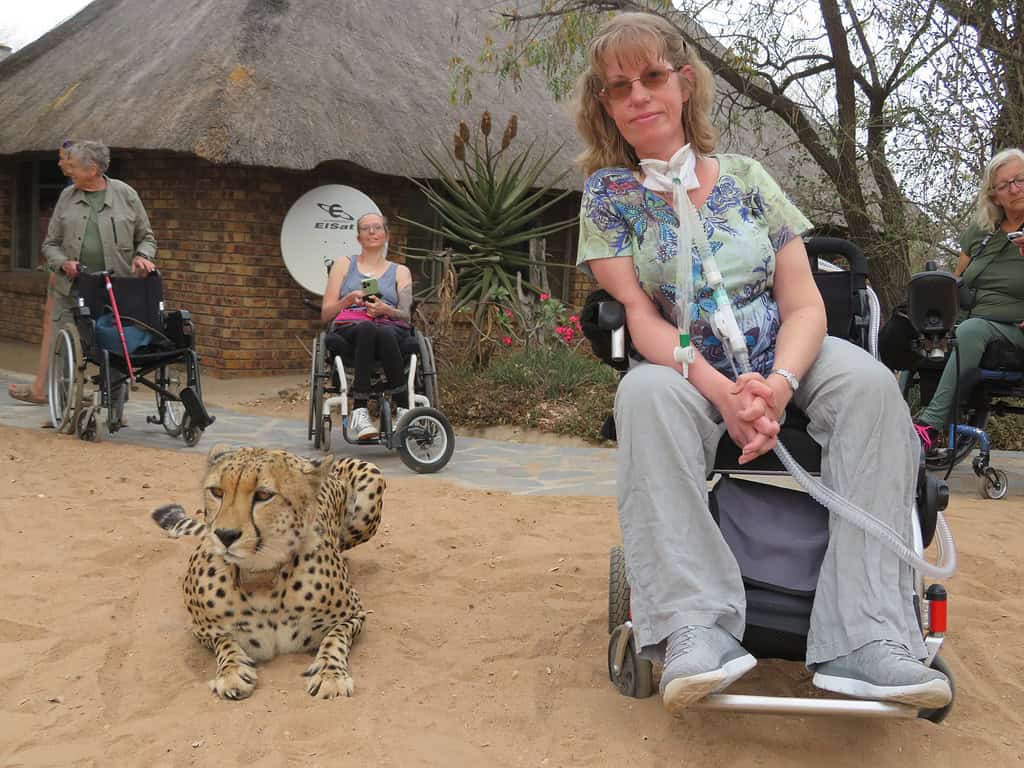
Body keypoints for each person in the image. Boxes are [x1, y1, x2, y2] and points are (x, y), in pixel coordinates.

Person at [573, 12, 951, 715]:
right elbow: (641, 318)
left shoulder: (748, 178)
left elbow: (804, 304)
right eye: (618, 87)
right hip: (688, 362)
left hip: (787, 349)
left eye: (652, 76)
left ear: (684, 84)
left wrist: (777, 384)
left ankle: (865, 640)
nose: (638, 96)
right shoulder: (607, 197)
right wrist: (721, 391)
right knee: (644, 397)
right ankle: (694, 629)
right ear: (605, 104)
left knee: (871, 386)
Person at [912, 148, 1024, 451]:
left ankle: (928, 426)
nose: (1014, 189)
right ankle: (885, 421)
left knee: (972, 330)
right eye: (1004, 185)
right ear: (994, 195)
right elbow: (955, 283)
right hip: (972, 317)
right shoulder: (982, 232)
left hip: (1014, 329)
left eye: (1020, 180)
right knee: (911, 326)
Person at [42, 140, 157, 424]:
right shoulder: (67, 197)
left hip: (115, 289)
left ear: (92, 170)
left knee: (115, 348)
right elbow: (50, 244)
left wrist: (143, 256)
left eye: (74, 168)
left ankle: (116, 411)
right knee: (65, 350)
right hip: (73, 288)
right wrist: (62, 263)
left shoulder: (126, 195)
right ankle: (63, 411)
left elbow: (146, 237)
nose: (69, 172)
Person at [319, 212, 414, 440]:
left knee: (380, 329)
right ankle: (360, 411)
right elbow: (325, 314)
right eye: (365, 228)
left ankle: (402, 411)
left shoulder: (401, 271)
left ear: (386, 234)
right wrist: (348, 300)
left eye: (377, 227)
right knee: (368, 328)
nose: (371, 231)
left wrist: (385, 310)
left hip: (389, 326)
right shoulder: (343, 265)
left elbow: (406, 315)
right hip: (352, 326)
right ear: (358, 237)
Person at [8, 140, 75, 406]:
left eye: (62, 158)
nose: (58, 163)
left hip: (70, 273)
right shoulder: (72, 189)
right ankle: (43, 385)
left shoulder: (76, 192)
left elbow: (67, 237)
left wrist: (55, 268)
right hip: (64, 267)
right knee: (52, 323)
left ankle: (45, 388)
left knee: (56, 324)